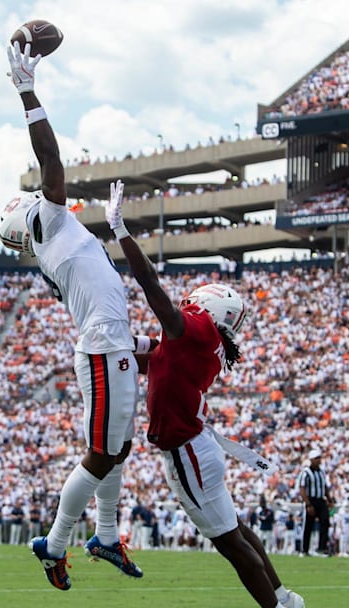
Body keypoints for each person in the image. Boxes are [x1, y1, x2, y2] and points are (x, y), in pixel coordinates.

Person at [105, 181, 303, 608]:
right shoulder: (200, 342)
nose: (186, 304)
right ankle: (284, 598)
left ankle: (276, 607)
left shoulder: (198, 329)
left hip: (187, 451)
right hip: (196, 446)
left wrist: (122, 232)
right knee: (237, 531)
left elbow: (152, 288)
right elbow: (151, 356)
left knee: (230, 542)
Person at [0, 42, 142, 591]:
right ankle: (54, 542)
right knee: (103, 451)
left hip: (112, 343)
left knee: (118, 448)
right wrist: (28, 92)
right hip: (104, 347)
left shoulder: (53, 242)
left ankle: (104, 534)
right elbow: (51, 162)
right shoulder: (52, 225)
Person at [297, 449, 333, 557]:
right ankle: (304, 549)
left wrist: (329, 499)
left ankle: (321, 548)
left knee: (325, 522)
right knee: (308, 525)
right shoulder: (306, 472)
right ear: (311, 460)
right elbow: (302, 489)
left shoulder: (321, 472)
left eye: (319, 458)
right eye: (317, 458)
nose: (319, 460)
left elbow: (324, 486)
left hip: (321, 500)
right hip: (311, 499)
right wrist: (308, 504)